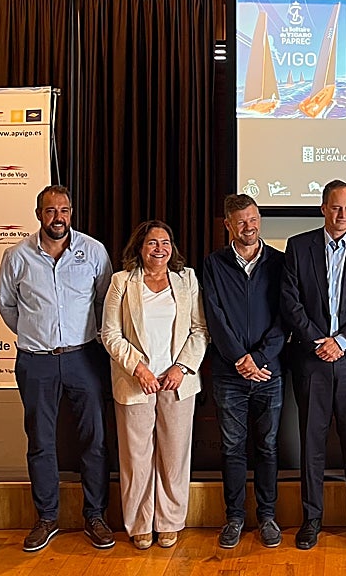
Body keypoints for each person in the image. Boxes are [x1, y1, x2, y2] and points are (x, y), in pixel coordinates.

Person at [0, 184, 115, 552]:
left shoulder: (93, 251)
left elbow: (105, 301)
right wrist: (40, 335)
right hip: (36, 361)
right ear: (38, 214)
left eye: (63, 210)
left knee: (94, 440)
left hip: (84, 357)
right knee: (41, 442)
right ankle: (46, 517)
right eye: (50, 211)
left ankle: (94, 516)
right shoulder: (16, 256)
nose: (57, 217)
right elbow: (8, 307)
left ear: (71, 213)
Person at [279, 179, 346, 551]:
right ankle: (312, 520)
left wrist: (340, 341)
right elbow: (290, 302)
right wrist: (318, 341)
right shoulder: (298, 246)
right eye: (336, 207)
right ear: (323, 208)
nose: (343, 215)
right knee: (312, 445)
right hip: (312, 361)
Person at [101, 220, 207, 550]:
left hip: (177, 382)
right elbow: (110, 334)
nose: (159, 248)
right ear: (140, 247)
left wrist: (182, 367)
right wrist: (139, 369)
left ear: (172, 247)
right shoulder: (122, 282)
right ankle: (140, 523)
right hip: (136, 383)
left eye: (165, 242)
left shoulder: (186, 279)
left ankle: (170, 522)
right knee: (136, 457)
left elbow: (200, 330)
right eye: (151, 243)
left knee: (175, 455)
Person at [201, 194, 286, 549]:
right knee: (232, 448)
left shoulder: (281, 263)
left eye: (253, 219)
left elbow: (287, 316)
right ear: (228, 225)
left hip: (270, 373)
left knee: (267, 447)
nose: (248, 227)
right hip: (228, 374)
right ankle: (234, 517)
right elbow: (213, 315)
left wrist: (260, 359)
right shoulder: (213, 264)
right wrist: (240, 358)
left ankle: (267, 516)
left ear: (259, 219)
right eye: (240, 222)